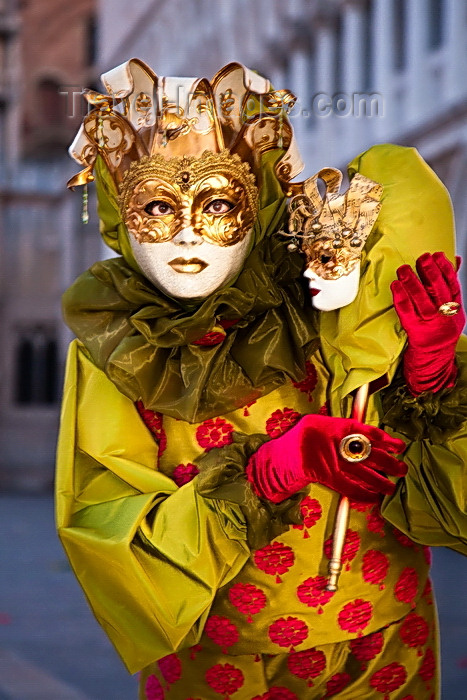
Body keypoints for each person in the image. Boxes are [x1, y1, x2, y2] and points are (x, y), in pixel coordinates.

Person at [56, 58, 467, 699]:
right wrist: (265, 471)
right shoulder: (117, 342)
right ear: (118, 207)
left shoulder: (326, 285)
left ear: (259, 201)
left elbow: (396, 440)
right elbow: (105, 517)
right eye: (159, 205)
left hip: (379, 636)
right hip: (220, 653)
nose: (189, 233)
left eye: (217, 202)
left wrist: (428, 368)